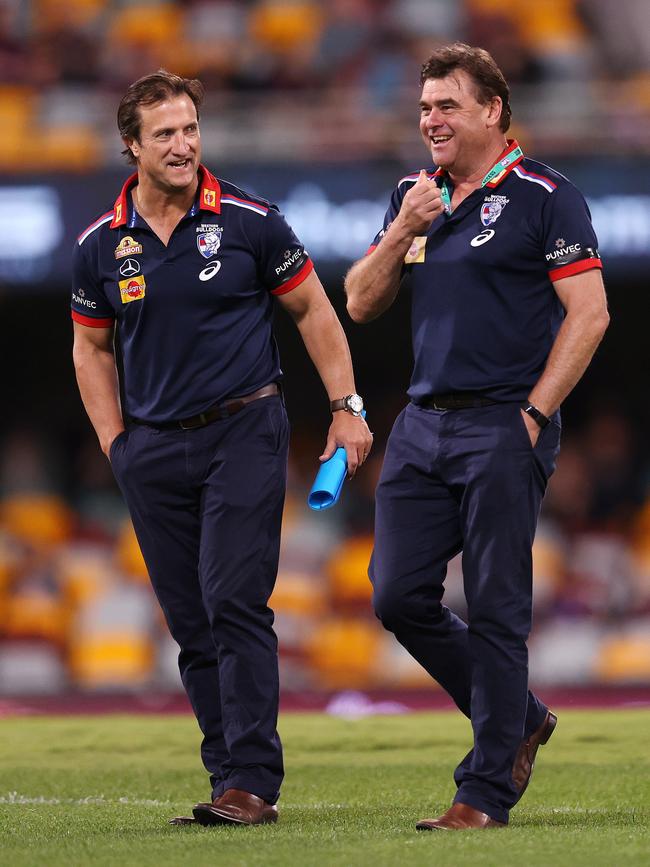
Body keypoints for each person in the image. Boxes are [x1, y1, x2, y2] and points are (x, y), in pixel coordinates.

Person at [71, 70, 372, 827]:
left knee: (235, 599)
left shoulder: (250, 219)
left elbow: (313, 310)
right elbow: (90, 350)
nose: (182, 144)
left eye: (190, 129)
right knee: (190, 619)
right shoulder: (99, 245)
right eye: (165, 133)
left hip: (244, 429)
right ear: (131, 145)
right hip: (152, 451)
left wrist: (346, 408)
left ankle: (253, 783)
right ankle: (225, 775)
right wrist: (117, 445)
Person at [345, 43, 609, 831]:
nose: (431, 119)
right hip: (421, 425)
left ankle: (484, 790)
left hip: (503, 419)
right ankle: (520, 715)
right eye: (425, 106)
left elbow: (589, 313)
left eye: (447, 105)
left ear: (492, 110)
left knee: (498, 607)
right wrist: (401, 230)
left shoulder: (545, 195)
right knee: (395, 593)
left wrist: (533, 414)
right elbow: (359, 302)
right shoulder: (413, 194)